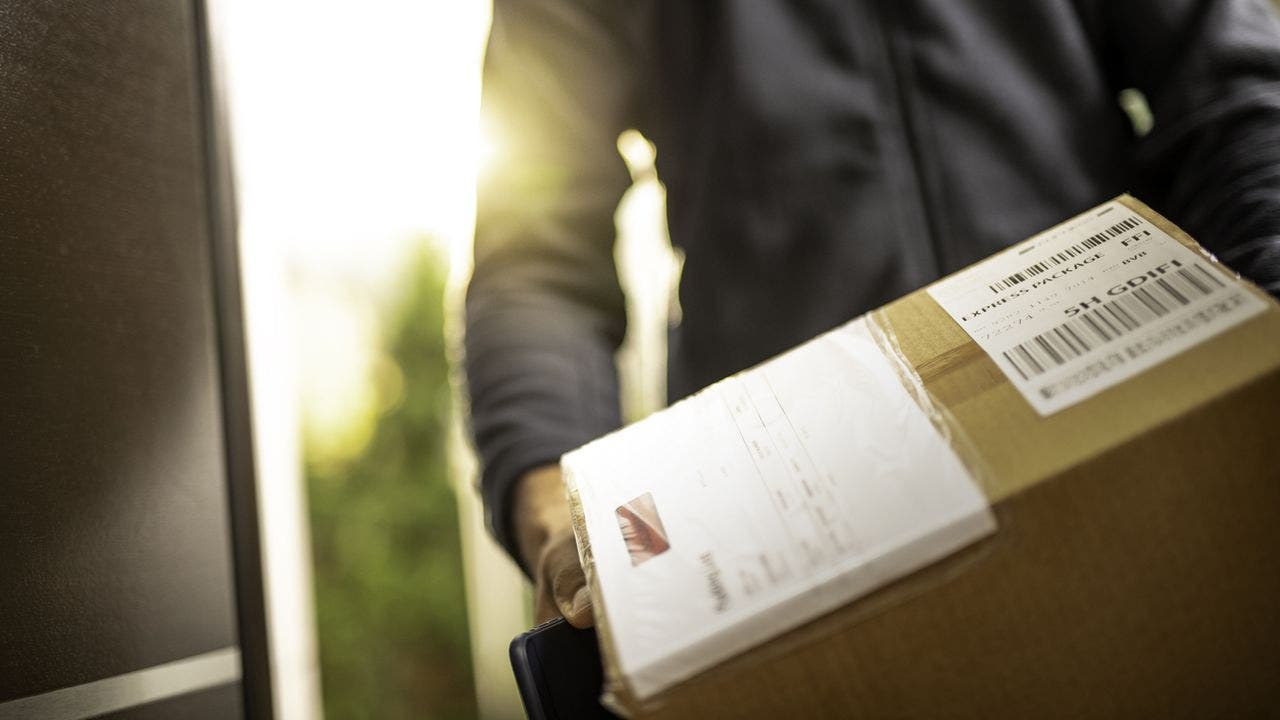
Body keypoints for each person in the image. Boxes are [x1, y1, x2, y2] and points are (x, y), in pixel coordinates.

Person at [463, 0, 1280, 628]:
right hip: (787, 548)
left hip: (1135, 454)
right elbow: (537, 256)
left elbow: (1234, 95)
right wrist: (556, 506)